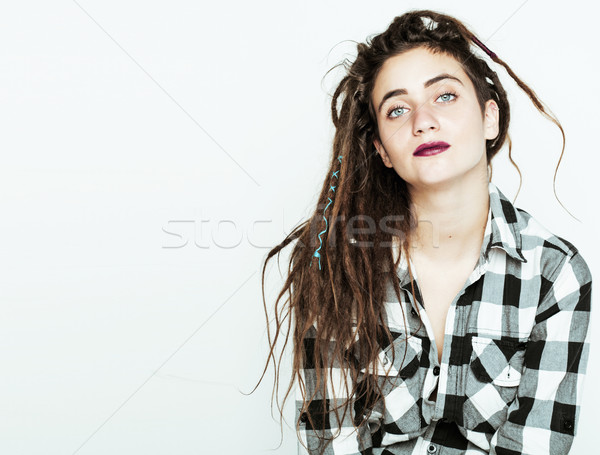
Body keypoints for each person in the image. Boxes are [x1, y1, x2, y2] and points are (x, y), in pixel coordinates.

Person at [258, 9, 592, 455]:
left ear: (489, 118)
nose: (422, 120)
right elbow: (329, 441)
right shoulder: (332, 262)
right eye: (397, 109)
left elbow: (536, 444)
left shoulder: (557, 275)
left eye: (445, 96)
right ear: (383, 151)